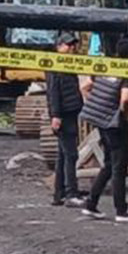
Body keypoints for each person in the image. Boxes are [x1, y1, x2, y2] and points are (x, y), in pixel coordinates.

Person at [79, 36, 128, 223]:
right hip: (115, 125)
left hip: (100, 121)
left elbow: (85, 86)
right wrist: (126, 115)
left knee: (109, 164)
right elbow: (124, 100)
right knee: (119, 166)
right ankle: (121, 210)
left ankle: (91, 204)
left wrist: (92, 103)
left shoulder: (107, 65)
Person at [46, 31, 85, 207]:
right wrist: (55, 115)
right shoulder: (55, 66)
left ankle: (59, 193)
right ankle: (71, 194)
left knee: (63, 155)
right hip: (64, 114)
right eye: (68, 45)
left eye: (73, 45)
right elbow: (53, 92)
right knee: (71, 155)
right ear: (59, 46)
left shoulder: (68, 64)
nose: (72, 48)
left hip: (71, 112)